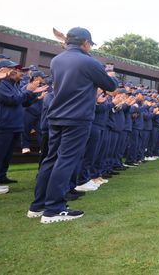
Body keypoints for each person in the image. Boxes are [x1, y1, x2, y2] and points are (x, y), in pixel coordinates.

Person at [29, 27, 117, 223]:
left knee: (51, 159)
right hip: (77, 118)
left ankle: (38, 206)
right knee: (66, 160)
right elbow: (111, 86)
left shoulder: (57, 60)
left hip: (56, 115)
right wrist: (110, 74)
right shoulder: (89, 61)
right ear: (86, 43)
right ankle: (53, 209)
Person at [0, 61, 44, 196]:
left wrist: (33, 95)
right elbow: (11, 100)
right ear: (4, 71)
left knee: (3, 155)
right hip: (0, 124)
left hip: (11, 125)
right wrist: (28, 91)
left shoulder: (13, 85)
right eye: (16, 70)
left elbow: (22, 102)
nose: (20, 73)